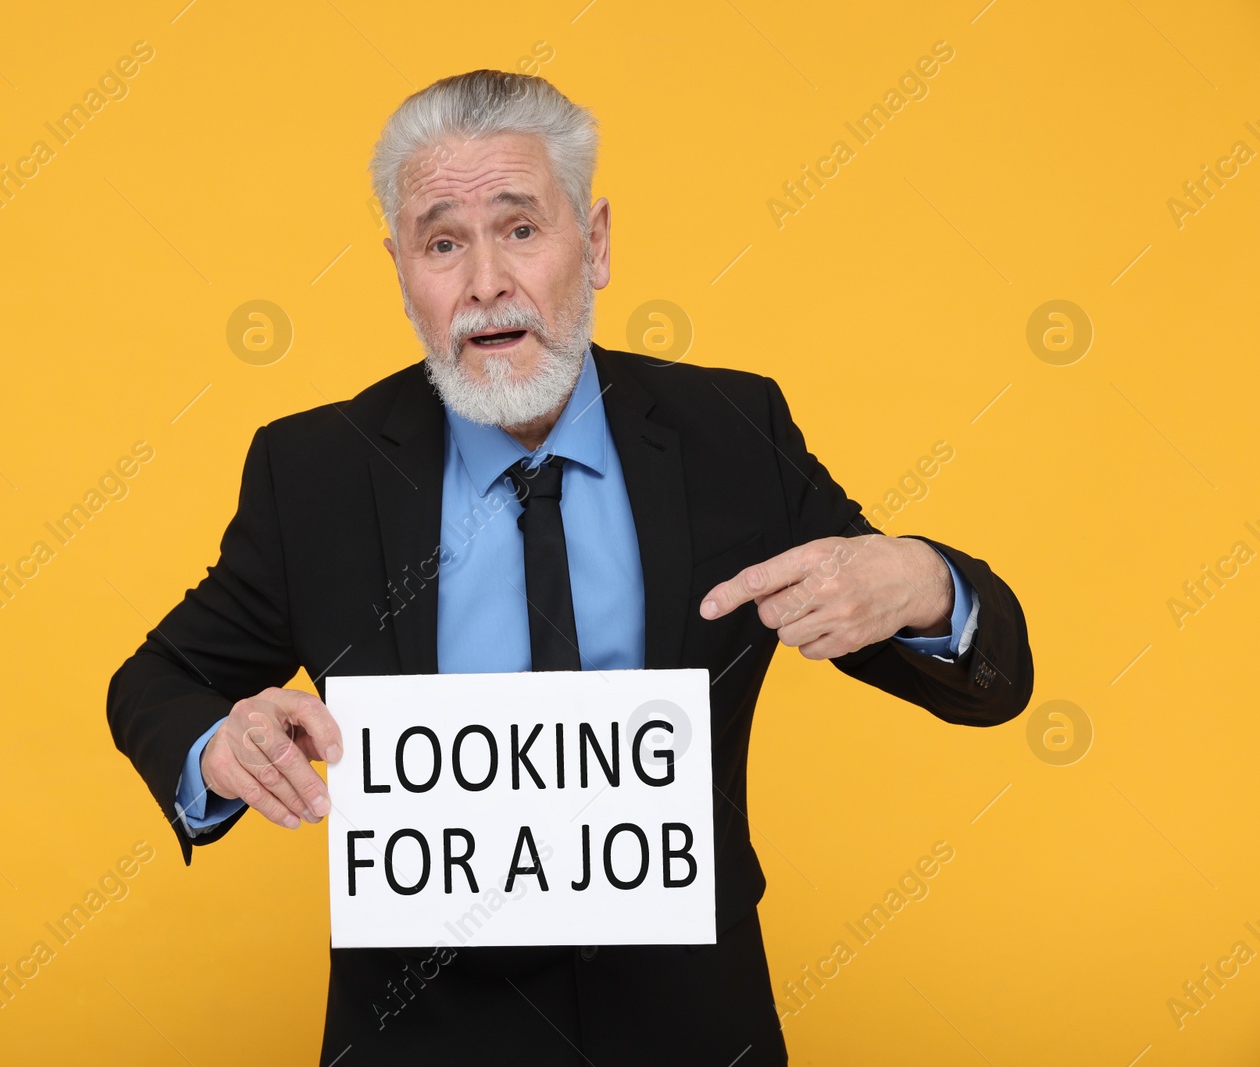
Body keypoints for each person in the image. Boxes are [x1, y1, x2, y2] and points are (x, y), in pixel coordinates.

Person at [107, 68, 1034, 1066]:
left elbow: (987, 681)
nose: (484, 284)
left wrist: (926, 582)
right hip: (420, 1032)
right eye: (442, 242)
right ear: (401, 269)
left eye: (519, 229)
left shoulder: (728, 432)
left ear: (592, 244)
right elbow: (155, 680)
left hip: (689, 1022)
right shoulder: (317, 472)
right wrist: (216, 745)